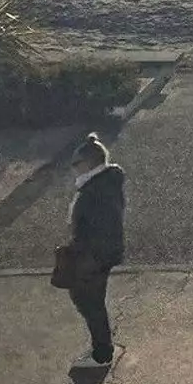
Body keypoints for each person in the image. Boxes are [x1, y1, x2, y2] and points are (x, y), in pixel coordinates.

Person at [61, 133, 127, 371]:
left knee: (89, 301)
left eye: (75, 163)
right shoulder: (104, 183)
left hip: (94, 256)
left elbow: (93, 227)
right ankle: (102, 348)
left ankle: (102, 354)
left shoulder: (93, 191)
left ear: (88, 163)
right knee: (91, 301)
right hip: (102, 253)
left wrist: (78, 250)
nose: (73, 169)